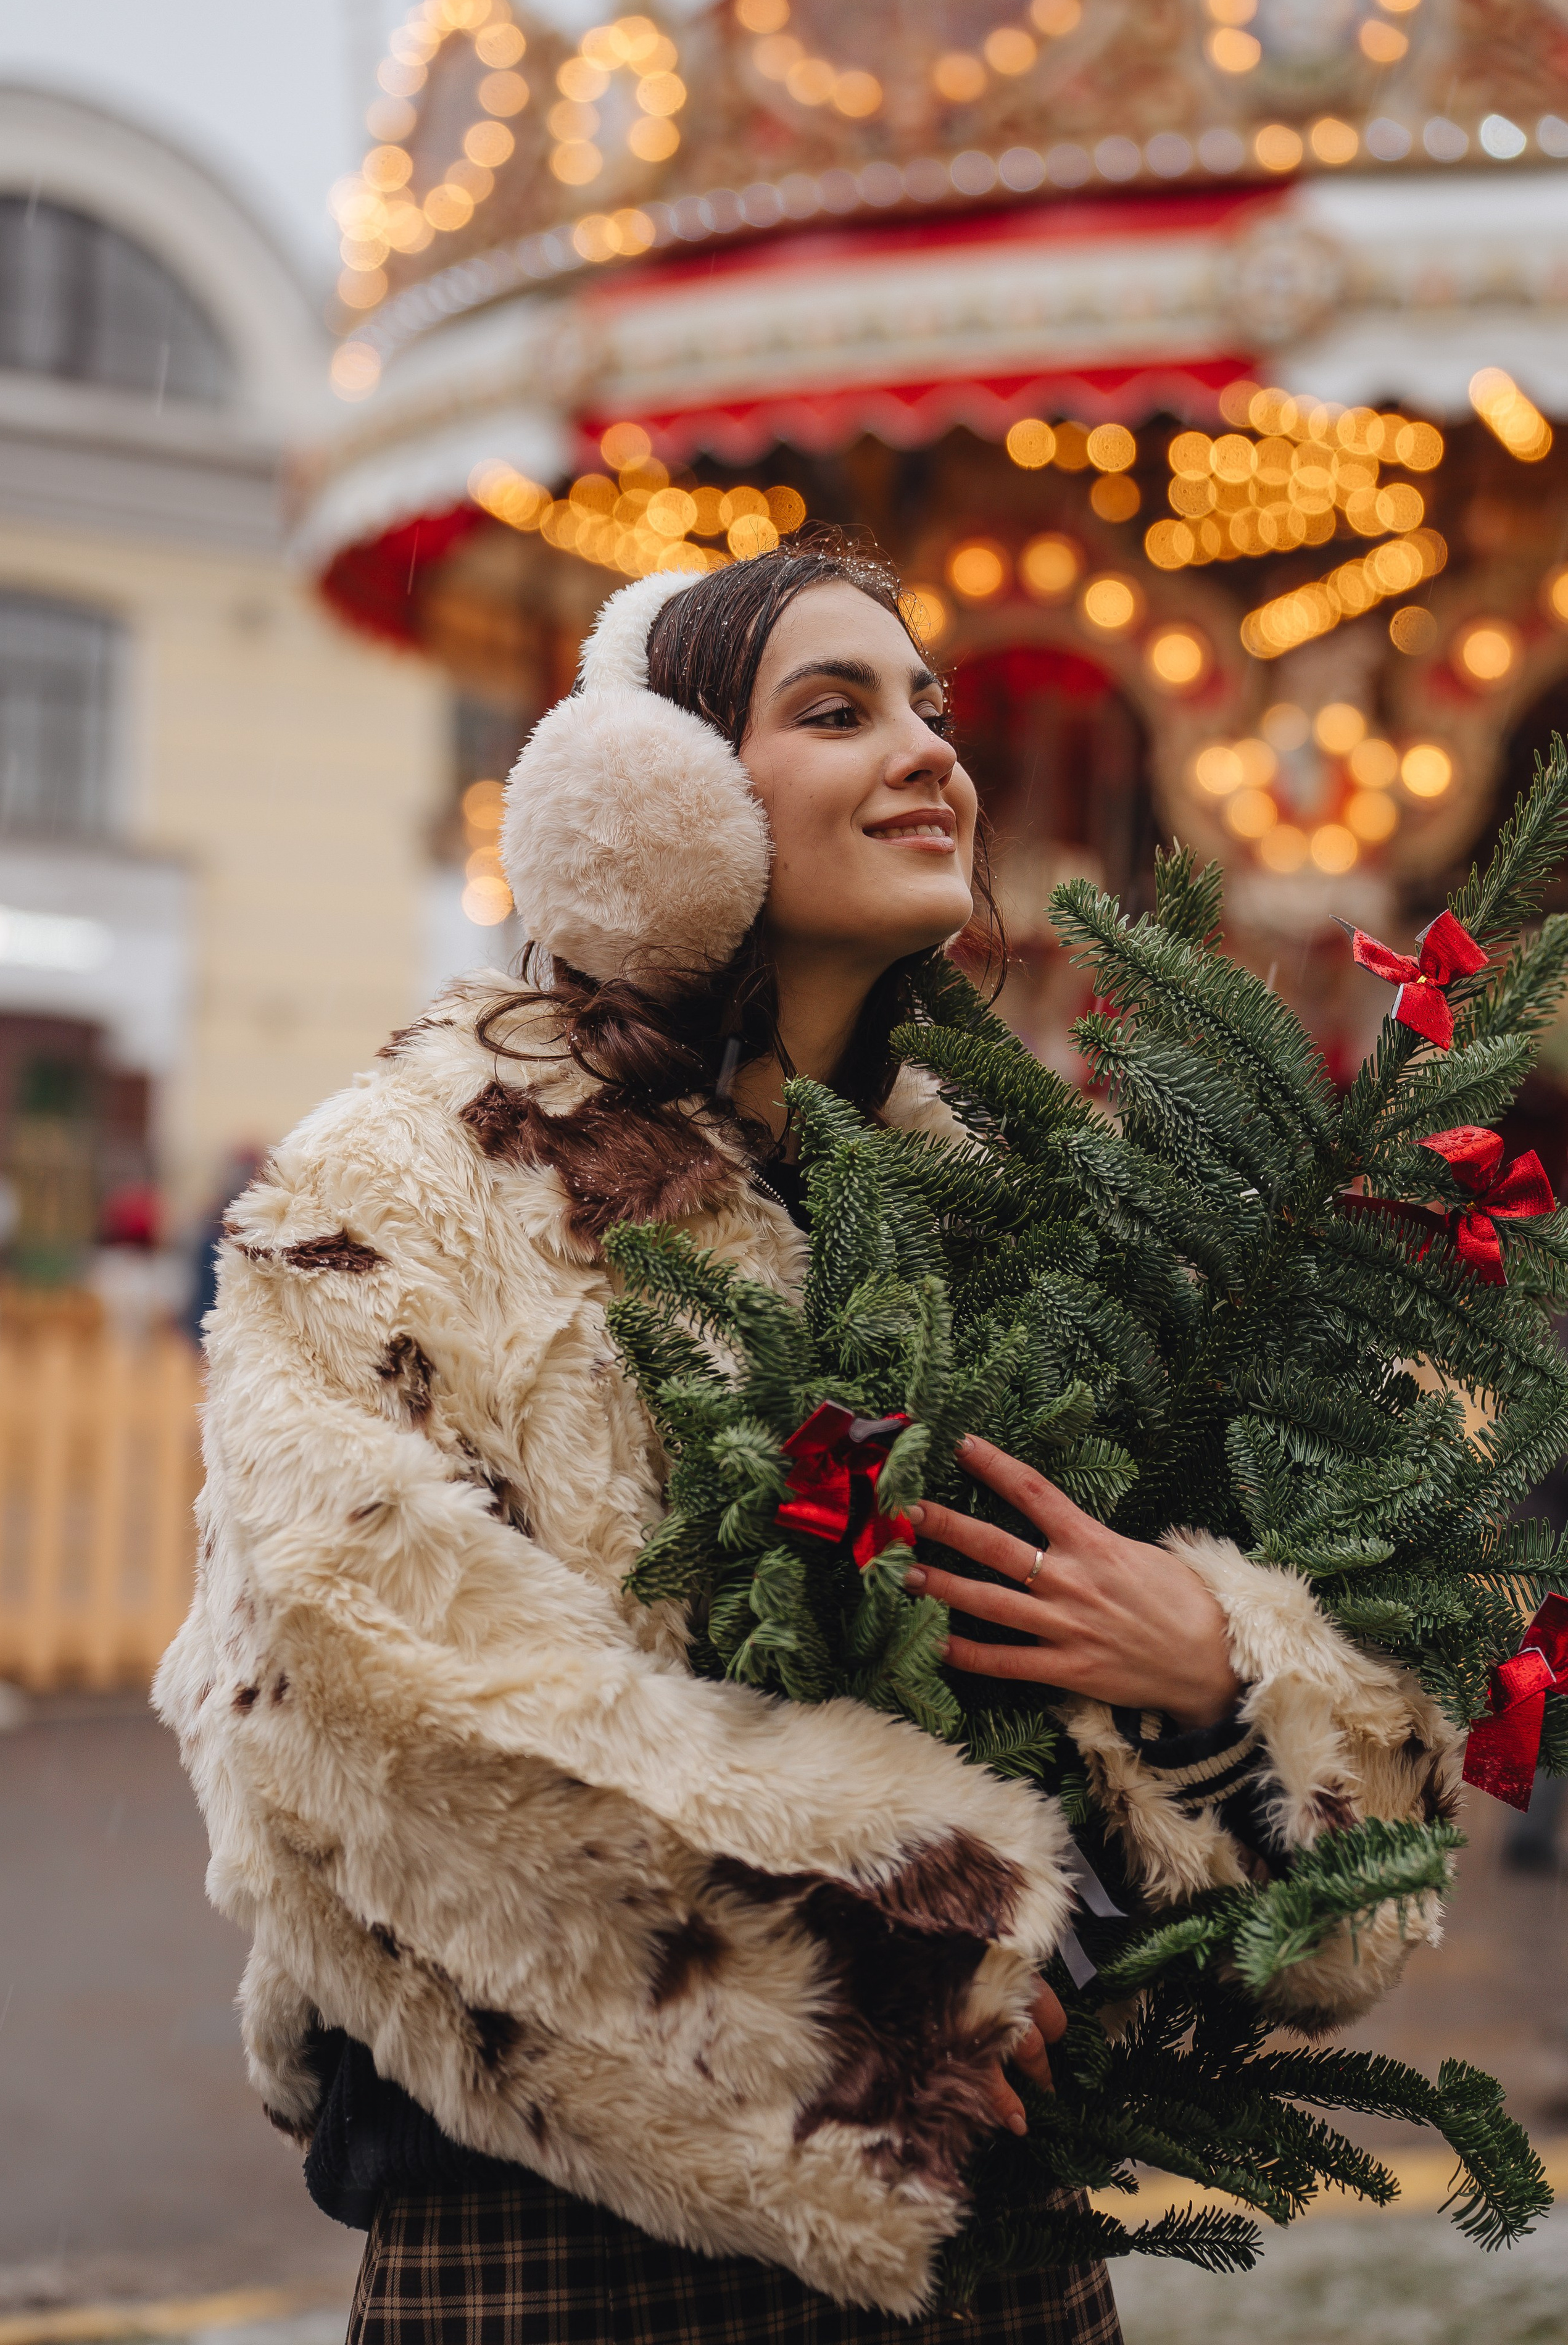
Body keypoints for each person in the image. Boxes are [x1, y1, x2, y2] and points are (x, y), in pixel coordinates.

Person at [156, 535, 1459, 2344]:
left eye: (932, 706)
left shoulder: (1008, 1211)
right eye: (838, 710)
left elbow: (1322, 1841)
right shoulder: (408, 1185)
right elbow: (357, 1685)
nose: (933, 749)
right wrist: (895, 1969)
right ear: (657, 804)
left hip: (986, 2232)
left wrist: (1213, 1672)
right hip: (571, 2233)